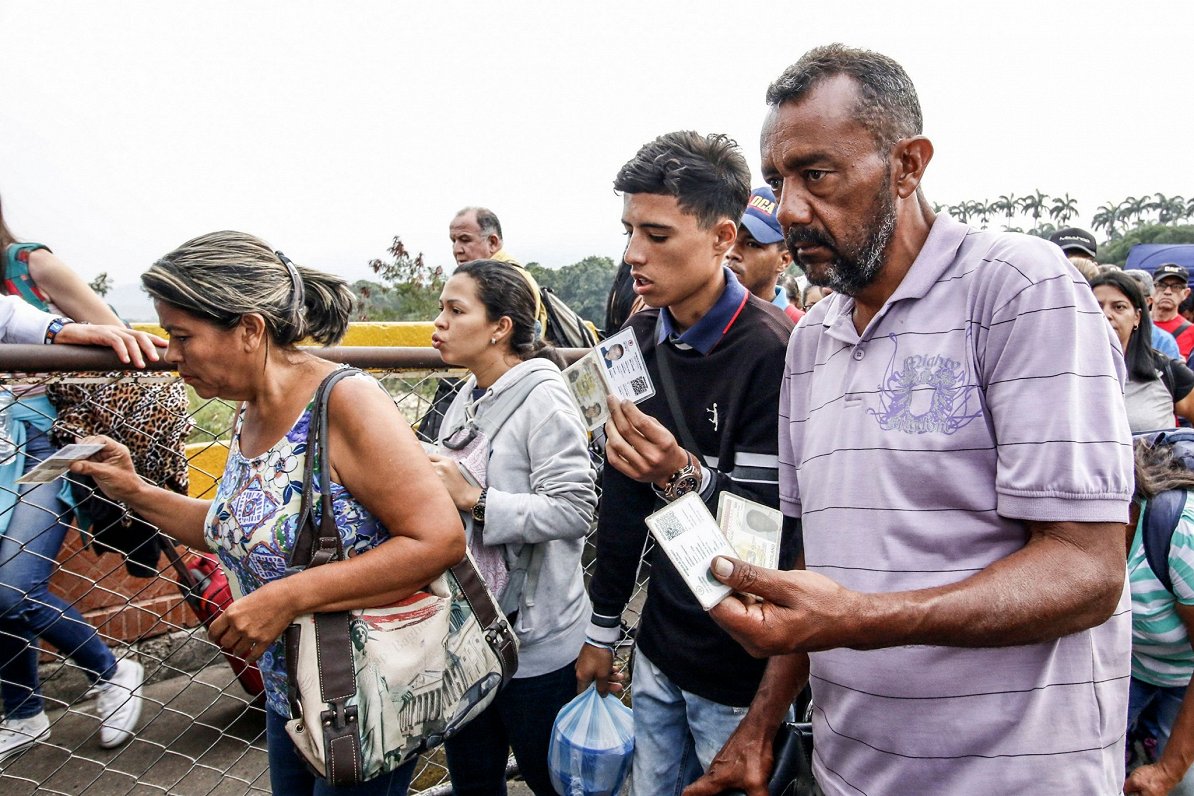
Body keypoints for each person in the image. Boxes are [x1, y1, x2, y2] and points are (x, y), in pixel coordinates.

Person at [689, 44, 1132, 795]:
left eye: (816, 174)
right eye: (777, 181)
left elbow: (1088, 571)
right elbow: (818, 575)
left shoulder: (1018, 288)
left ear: (907, 166)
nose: (790, 209)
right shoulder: (812, 344)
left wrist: (864, 618)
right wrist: (763, 722)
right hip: (850, 772)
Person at [71, 231, 464, 795]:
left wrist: (285, 597)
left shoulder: (344, 402)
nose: (172, 354)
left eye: (182, 335)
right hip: (292, 693)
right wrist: (133, 489)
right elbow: (233, 526)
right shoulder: (250, 410)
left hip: (369, 690)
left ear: (250, 329)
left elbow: (438, 541)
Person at [577, 131, 797, 795]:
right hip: (658, 649)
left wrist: (683, 475)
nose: (633, 254)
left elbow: (772, 538)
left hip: (740, 672)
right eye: (628, 230)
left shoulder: (777, 354)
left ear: (723, 237)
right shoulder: (630, 347)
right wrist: (604, 630)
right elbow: (620, 506)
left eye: (657, 234)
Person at [0, 202, 167, 763]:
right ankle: (23, 713)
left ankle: (112, 669)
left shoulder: (28, 263)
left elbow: (114, 340)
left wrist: (54, 343)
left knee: (10, 587)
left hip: (43, 439)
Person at [426, 258, 596, 796]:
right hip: (469, 640)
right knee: (473, 781)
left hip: (535, 647)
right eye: (441, 309)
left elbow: (576, 510)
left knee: (552, 783)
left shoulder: (544, 400)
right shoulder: (463, 398)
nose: (439, 323)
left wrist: (476, 501)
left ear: (500, 327)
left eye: (456, 310)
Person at [1123, 436, 1194, 796]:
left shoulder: (1180, 533)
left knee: (1178, 788)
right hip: (1131, 664)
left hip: (1185, 676)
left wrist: (1169, 769)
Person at [1092, 271, 1194, 431]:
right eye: (1096, 306)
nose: (1106, 315)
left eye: (1119, 307)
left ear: (1137, 317)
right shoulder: (1064, 371)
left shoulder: (1165, 372)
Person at [725, 187, 801, 322]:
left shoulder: (799, 328)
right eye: (730, 238)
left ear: (784, 260)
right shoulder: (700, 314)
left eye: (752, 244)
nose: (732, 253)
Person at [1125, 269, 1183, 361]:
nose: (1168, 292)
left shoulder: (1163, 341)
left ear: (1148, 301)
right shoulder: (1103, 333)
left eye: (1132, 297)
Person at [1152, 264, 1194, 358]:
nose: (1168, 292)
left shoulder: (1192, 332)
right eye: (1162, 285)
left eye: (1176, 287)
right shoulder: (1135, 324)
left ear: (1186, 293)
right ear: (1152, 289)